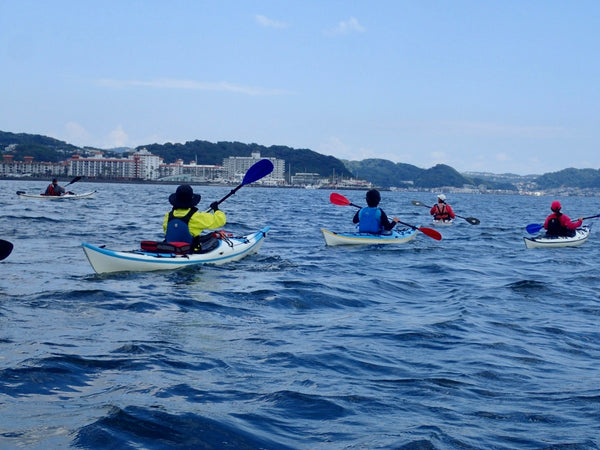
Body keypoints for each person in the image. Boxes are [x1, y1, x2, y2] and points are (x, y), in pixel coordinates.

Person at [162, 184, 226, 251]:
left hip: (170, 249)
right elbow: (221, 220)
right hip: (190, 251)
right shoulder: (196, 216)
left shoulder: (168, 216)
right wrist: (216, 209)